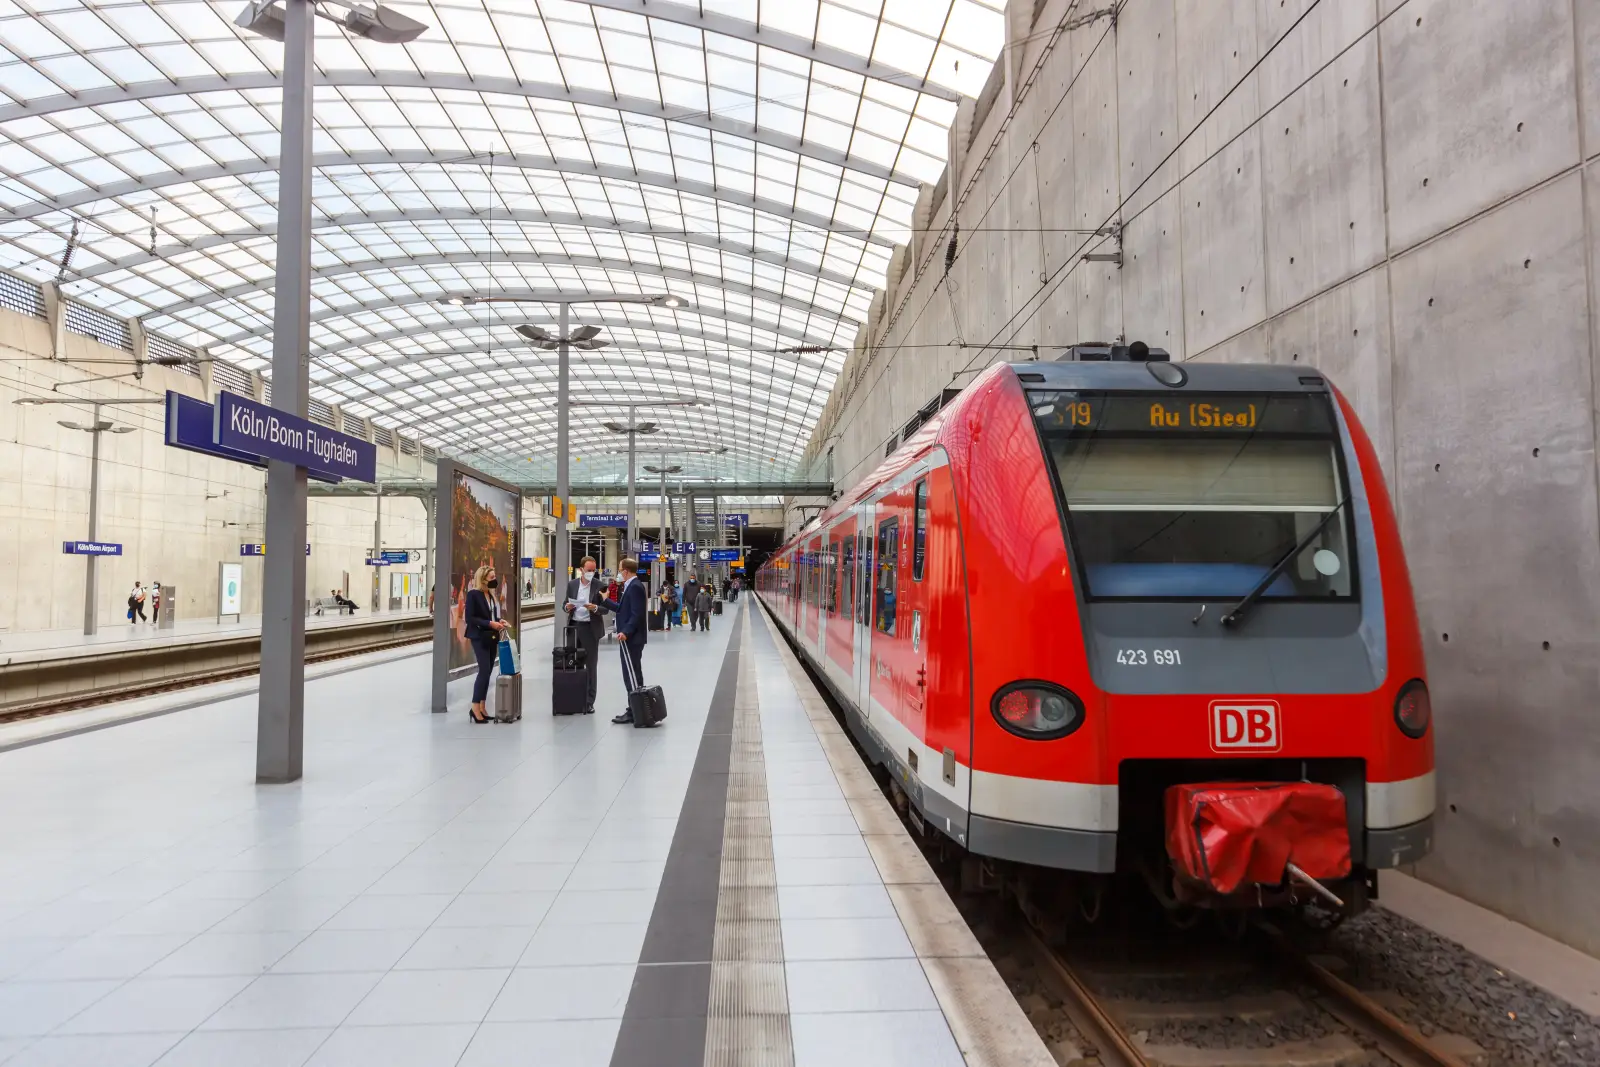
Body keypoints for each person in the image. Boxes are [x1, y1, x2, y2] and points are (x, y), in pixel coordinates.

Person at [592, 558, 648, 724]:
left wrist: (626, 631)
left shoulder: (635, 587)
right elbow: (622, 609)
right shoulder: (630, 586)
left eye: (619, 569)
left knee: (631, 674)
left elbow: (637, 614)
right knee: (631, 673)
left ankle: (634, 711)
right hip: (630, 638)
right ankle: (634, 707)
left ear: (626, 571)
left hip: (632, 638)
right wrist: (605, 600)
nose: (618, 573)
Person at [463, 564, 507, 724]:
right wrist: (490, 623)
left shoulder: (491, 595)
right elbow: (470, 618)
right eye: (492, 578)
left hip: (491, 636)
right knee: (484, 670)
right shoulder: (474, 594)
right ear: (482, 580)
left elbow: (492, 615)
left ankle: (482, 706)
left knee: (488, 671)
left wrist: (498, 621)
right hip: (479, 635)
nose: (495, 580)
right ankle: (474, 707)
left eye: (495, 577)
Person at [563, 556, 606, 715]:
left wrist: (594, 607)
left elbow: (605, 608)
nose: (591, 573)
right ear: (581, 569)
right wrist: (567, 607)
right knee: (574, 664)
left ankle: (589, 701)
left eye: (593, 570)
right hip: (574, 627)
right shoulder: (572, 584)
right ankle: (575, 698)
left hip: (590, 629)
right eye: (588, 570)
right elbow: (564, 604)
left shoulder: (600, 586)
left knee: (591, 666)